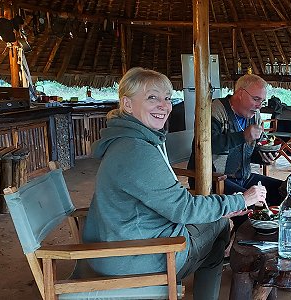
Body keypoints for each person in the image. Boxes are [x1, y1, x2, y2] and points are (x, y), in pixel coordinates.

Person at [82, 67, 266, 300]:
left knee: (218, 220)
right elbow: (184, 209)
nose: (164, 105)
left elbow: (172, 201)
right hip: (139, 256)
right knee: (219, 226)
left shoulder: (131, 141)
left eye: (167, 98)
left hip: (127, 240)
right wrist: (241, 199)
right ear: (127, 104)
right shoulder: (136, 151)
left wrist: (226, 206)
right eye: (152, 98)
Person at [189, 74, 284, 213]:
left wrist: (264, 156)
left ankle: (271, 230)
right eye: (256, 99)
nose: (259, 106)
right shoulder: (214, 110)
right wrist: (243, 136)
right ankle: (246, 233)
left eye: (262, 101)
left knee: (281, 190)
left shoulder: (254, 115)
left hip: (243, 176)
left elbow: (249, 151)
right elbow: (207, 146)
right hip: (214, 179)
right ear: (240, 93)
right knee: (248, 203)